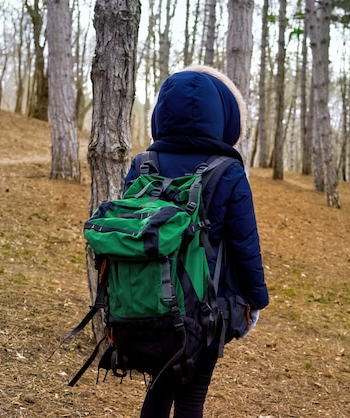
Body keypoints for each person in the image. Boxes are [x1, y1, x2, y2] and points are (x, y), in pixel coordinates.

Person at [123, 65, 269, 418]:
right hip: (205, 313)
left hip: (147, 304)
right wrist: (257, 301)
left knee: (158, 393)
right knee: (191, 399)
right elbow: (245, 244)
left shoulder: (143, 164)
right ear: (220, 116)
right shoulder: (228, 171)